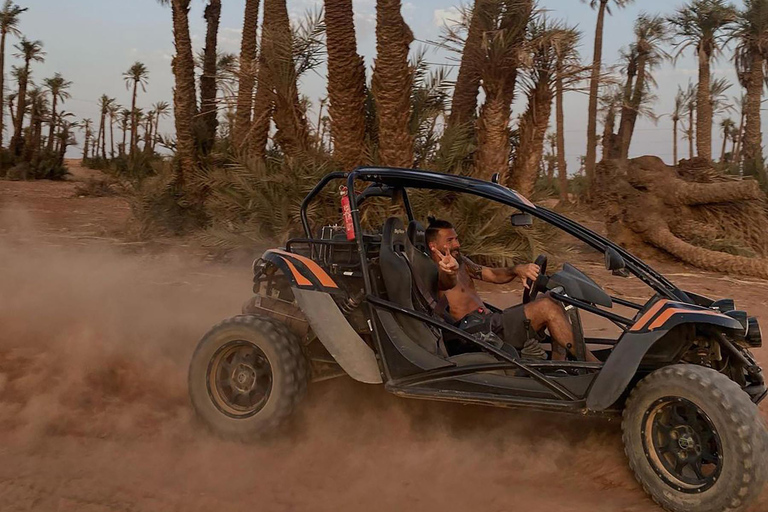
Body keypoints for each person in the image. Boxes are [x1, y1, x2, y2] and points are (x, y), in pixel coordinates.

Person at [426, 217, 598, 362]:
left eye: (456, 238)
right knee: (546, 308)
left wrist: (517, 270)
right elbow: (445, 283)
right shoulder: (434, 269)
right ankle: (594, 366)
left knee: (552, 298)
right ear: (433, 246)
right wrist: (450, 271)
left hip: (490, 322)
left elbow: (492, 274)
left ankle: (558, 365)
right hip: (475, 334)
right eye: (450, 241)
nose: (457, 244)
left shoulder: (462, 262)